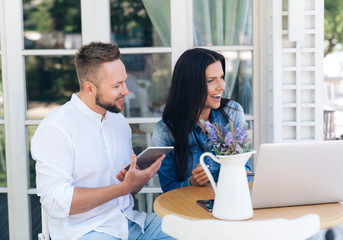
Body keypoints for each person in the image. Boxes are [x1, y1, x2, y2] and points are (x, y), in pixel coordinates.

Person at [31, 41, 173, 240]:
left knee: (188, 230)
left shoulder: (119, 122)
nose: (126, 91)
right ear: (89, 88)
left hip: (130, 223)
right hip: (86, 231)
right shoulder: (56, 128)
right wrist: (121, 189)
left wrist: (136, 180)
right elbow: (55, 202)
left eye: (124, 81)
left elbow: (127, 190)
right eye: (117, 85)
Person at [151, 48, 251, 193]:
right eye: (211, 80)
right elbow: (168, 190)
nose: (222, 86)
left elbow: (246, 170)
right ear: (189, 85)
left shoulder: (233, 113)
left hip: (231, 203)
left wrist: (240, 173)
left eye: (222, 77)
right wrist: (192, 182)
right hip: (191, 212)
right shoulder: (165, 131)